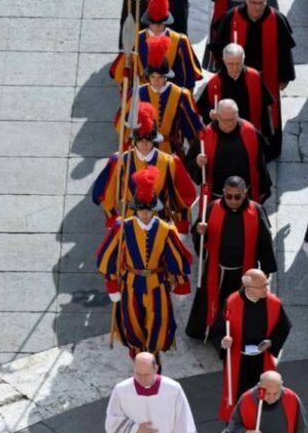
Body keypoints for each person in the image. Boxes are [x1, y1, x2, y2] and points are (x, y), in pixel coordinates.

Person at [96, 168, 193, 359]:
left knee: (160, 320)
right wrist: (112, 282)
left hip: (158, 282)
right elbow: (107, 255)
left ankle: (153, 354)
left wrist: (181, 281)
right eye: (142, 210)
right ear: (136, 208)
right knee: (132, 321)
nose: (146, 215)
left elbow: (176, 256)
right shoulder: (122, 227)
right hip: (131, 282)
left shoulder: (166, 229)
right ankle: (138, 352)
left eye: (149, 210)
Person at [209, 0, 296, 160]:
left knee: (267, 114)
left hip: (267, 79)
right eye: (253, 2)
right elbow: (218, 47)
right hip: (237, 78)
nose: (257, 7)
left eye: (261, 2)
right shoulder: (232, 17)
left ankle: (267, 151)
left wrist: (285, 76)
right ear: (246, 0)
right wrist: (225, 69)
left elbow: (285, 50)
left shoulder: (276, 18)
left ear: (266, 1)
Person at [186, 177, 277, 339]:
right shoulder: (213, 207)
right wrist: (200, 232)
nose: (233, 201)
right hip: (216, 269)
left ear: (245, 193)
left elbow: (265, 241)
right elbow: (199, 240)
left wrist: (266, 270)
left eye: (237, 196)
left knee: (240, 307)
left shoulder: (255, 210)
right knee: (211, 303)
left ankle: (235, 335)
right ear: (223, 193)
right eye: (229, 196)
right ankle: (208, 332)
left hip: (243, 271)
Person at [93, 103, 197, 231]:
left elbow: (184, 197)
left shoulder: (169, 161)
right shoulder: (120, 161)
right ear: (134, 140)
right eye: (140, 139)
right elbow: (106, 195)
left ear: (153, 139)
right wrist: (113, 220)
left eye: (148, 140)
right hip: (129, 224)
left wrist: (182, 225)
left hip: (161, 224)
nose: (144, 144)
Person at [213, 270, 293, 420]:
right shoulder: (232, 302)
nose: (266, 289)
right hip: (239, 358)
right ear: (248, 288)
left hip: (261, 357)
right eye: (262, 286)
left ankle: (257, 418)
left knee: (262, 392)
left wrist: (271, 342)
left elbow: (284, 327)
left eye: (266, 284)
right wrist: (223, 341)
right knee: (238, 394)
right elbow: (217, 331)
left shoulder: (274, 303)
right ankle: (238, 423)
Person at [115, 34, 203, 157]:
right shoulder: (137, 93)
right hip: (142, 150)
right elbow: (122, 124)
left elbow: (192, 126)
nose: (156, 81)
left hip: (170, 150)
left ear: (166, 76)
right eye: (153, 77)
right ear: (148, 77)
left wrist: (197, 150)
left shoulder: (180, 95)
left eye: (160, 77)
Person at [105, 352, 200, 433]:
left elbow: (183, 422)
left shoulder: (173, 390)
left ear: (156, 369)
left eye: (146, 374)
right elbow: (112, 419)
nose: (141, 379)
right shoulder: (121, 391)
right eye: (138, 374)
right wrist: (135, 430)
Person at [112, 0, 202, 91]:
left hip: (171, 95)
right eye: (154, 23)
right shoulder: (135, 40)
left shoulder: (180, 41)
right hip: (143, 94)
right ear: (148, 21)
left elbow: (187, 75)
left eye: (161, 22)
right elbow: (121, 73)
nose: (158, 27)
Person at [197, 43, 275, 149]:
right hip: (224, 138)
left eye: (238, 63)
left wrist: (267, 134)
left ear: (244, 60)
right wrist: (211, 113)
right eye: (230, 64)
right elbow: (201, 107)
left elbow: (265, 107)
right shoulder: (214, 83)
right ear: (224, 60)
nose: (234, 68)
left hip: (249, 133)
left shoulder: (254, 77)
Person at [193, 99, 272, 201]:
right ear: (217, 117)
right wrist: (198, 163)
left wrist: (263, 188)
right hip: (216, 197)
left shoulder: (250, 131)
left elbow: (260, 161)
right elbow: (190, 161)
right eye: (225, 120)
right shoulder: (205, 135)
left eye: (233, 119)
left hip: (245, 195)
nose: (230, 124)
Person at [225, 371, 306, 433]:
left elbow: (299, 432)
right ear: (259, 386)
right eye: (267, 393)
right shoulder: (246, 400)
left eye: (275, 393)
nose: (271, 398)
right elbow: (233, 427)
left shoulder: (292, 399)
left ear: (281, 385)